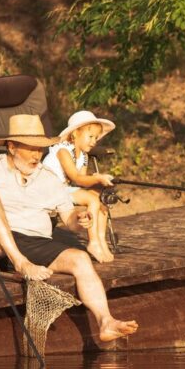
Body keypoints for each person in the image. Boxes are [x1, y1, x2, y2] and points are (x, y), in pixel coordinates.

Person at [0, 114, 138, 343]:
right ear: (12, 147)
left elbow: (69, 217)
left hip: (37, 243)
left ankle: (106, 322)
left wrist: (80, 217)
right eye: (31, 149)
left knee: (80, 258)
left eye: (40, 149)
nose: (37, 155)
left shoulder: (49, 178)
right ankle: (21, 263)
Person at [42, 110, 116, 263]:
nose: (94, 141)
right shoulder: (62, 150)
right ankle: (93, 242)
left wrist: (95, 179)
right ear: (75, 133)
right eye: (90, 137)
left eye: (96, 138)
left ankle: (101, 241)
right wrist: (95, 179)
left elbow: (80, 180)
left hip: (65, 189)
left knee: (99, 197)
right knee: (91, 199)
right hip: (49, 190)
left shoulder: (83, 156)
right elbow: (77, 178)